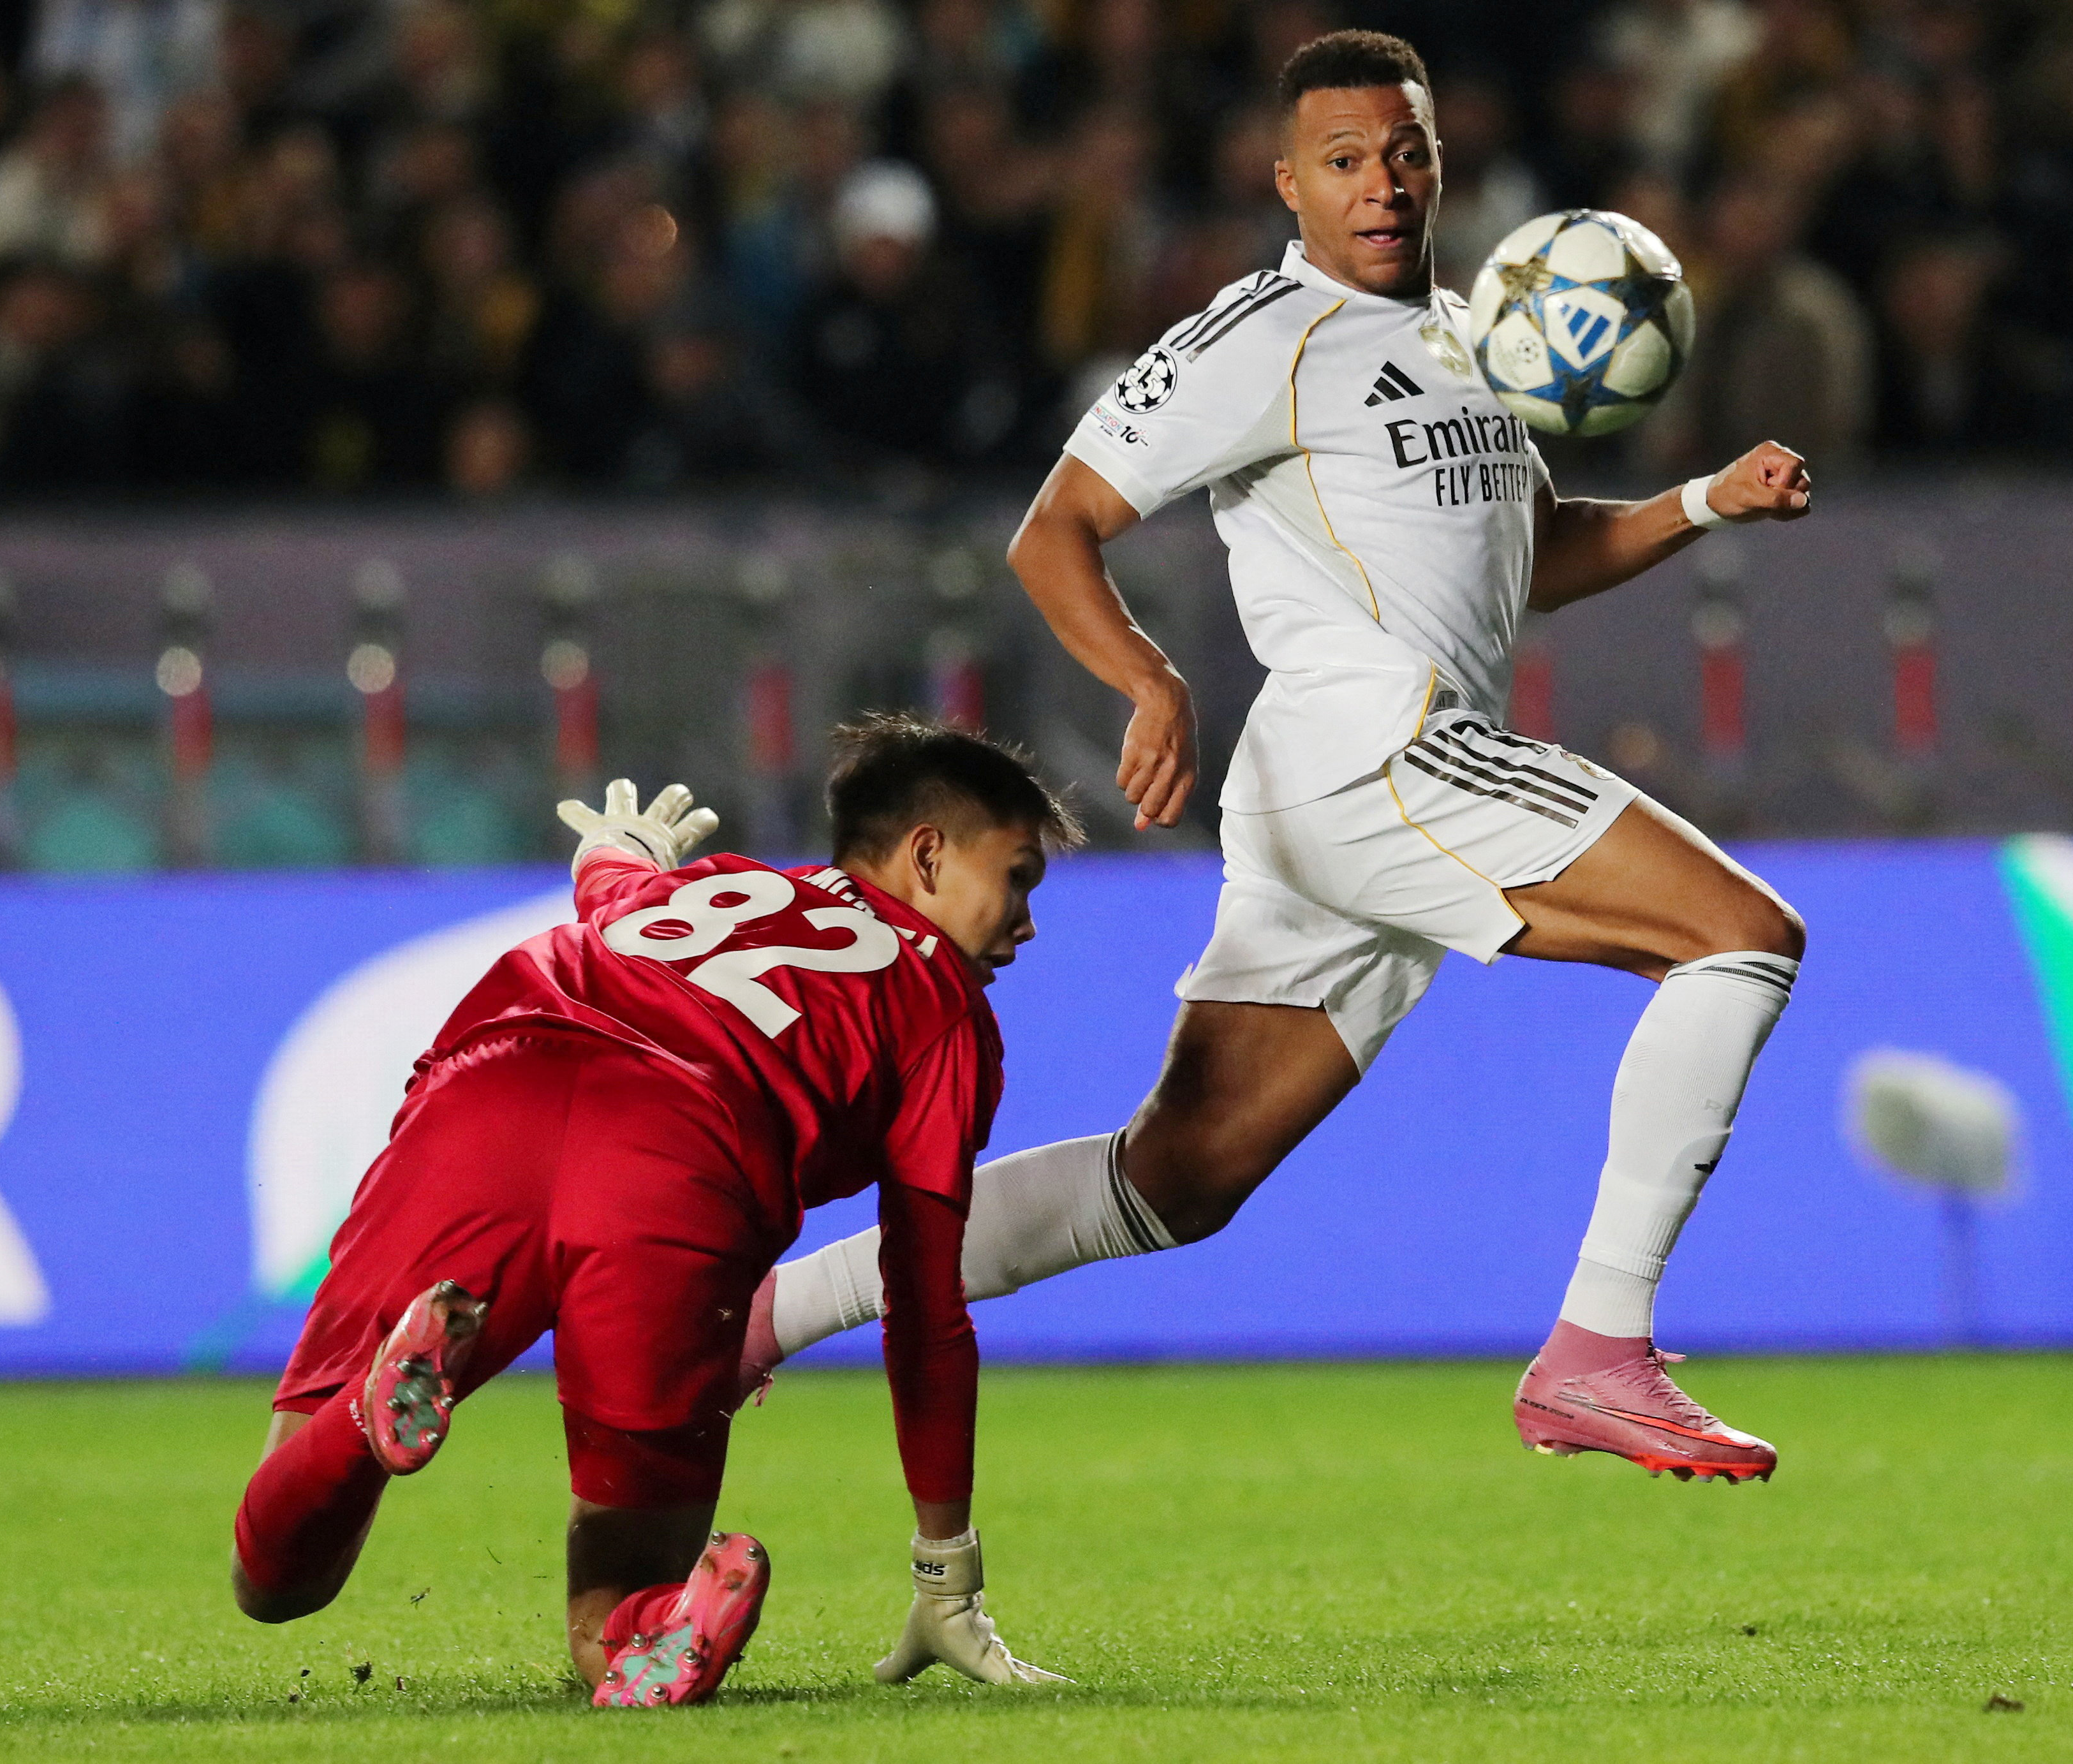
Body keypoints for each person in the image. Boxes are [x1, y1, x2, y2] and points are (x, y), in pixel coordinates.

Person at [750, 31, 1814, 1486]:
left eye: (1404, 154)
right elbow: (1051, 528)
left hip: (1349, 796)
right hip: (1381, 754)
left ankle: (768, 1310)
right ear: (1285, 184)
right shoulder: (1257, 336)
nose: (1379, 184)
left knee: (1174, 1178)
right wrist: (1148, 677)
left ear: (1435, 162)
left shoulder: (1465, 342)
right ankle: (1598, 1351)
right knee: (1737, 941)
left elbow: (1533, 560)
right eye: (1342, 161)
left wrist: (1701, 498)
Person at [228, 718, 1075, 1706]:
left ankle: (371, 1417)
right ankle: (656, 1625)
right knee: (617, 1614)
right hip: (677, 1167)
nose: (1025, 923)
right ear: (927, 854)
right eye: (1017, 878)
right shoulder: (944, 1012)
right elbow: (927, 1313)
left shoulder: (722, 885)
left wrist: (617, 848)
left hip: (489, 1094)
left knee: (276, 1576)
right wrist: (945, 1566)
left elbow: (616, 892)